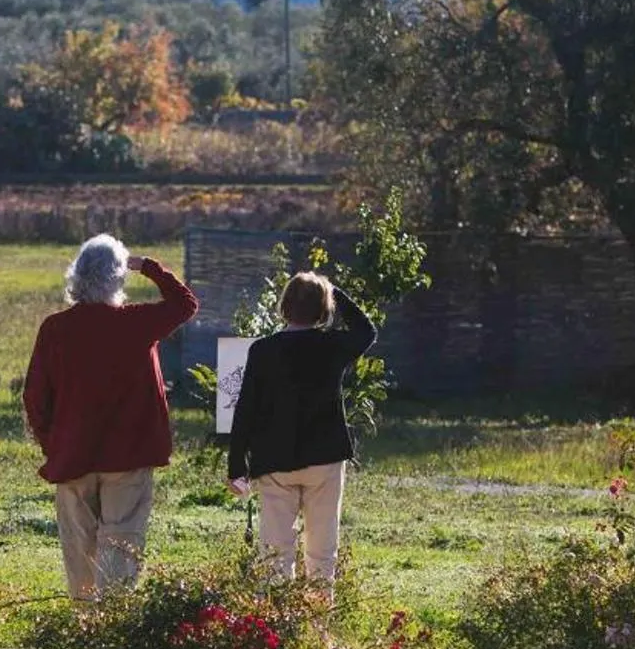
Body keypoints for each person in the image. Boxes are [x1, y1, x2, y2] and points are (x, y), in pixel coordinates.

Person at [22, 235, 199, 599]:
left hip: (72, 455)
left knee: (79, 547)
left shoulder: (55, 329)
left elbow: (35, 396)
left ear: (76, 278)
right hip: (129, 455)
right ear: (118, 279)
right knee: (121, 541)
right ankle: (113, 620)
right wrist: (148, 267)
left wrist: (51, 443)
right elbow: (185, 304)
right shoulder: (137, 323)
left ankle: (86, 622)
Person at [226, 272, 377, 586]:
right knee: (322, 551)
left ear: (284, 307)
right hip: (324, 457)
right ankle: (317, 624)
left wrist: (236, 465)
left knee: (274, 551)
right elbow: (366, 331)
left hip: (274, 459)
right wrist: (334, 291)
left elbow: (246, 409)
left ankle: (276, 624)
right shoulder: (333, 345)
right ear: (323, 310)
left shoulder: (262, 350)